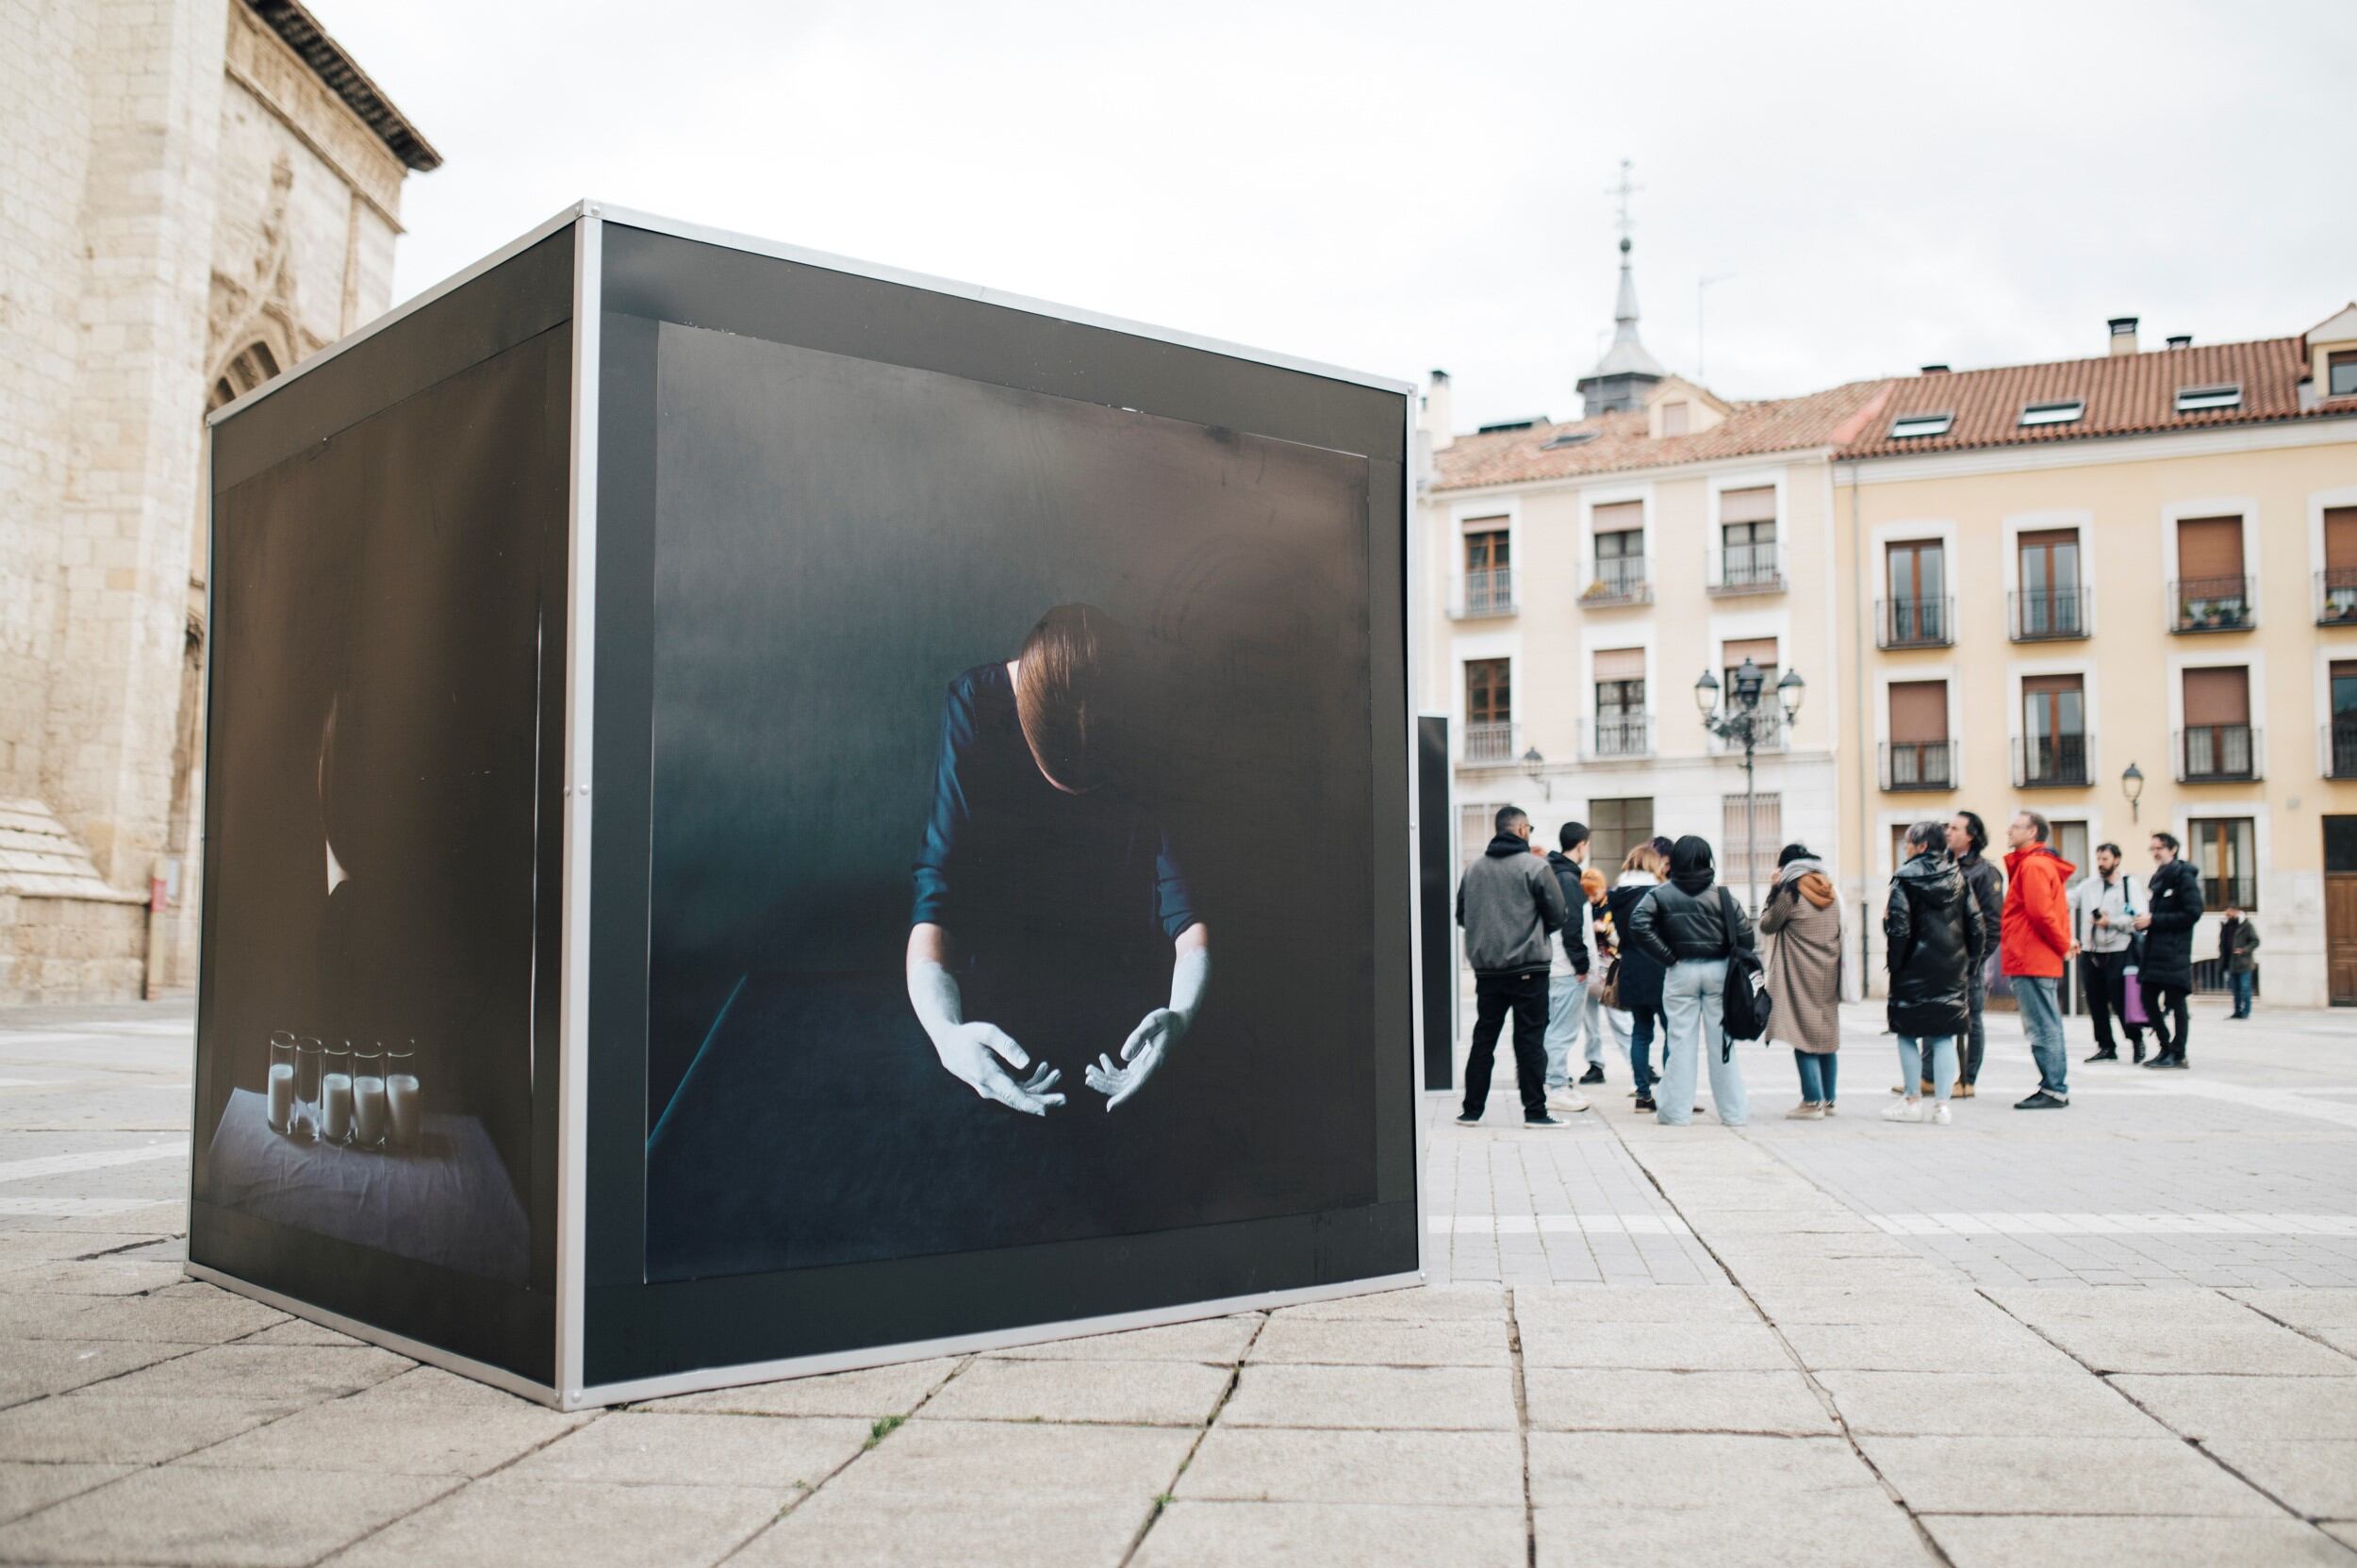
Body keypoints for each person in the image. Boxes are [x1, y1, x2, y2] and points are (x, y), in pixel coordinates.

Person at [907, 604, 1207, 1117]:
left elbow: (1186, 907)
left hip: (1124, 982)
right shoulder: (974, 707)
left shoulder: (1152, 724)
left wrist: (1181, 1014)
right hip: (999, 987)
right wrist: (944, 1033)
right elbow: (937, 895)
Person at [1456, 805, 1575, 1127]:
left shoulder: (1474, 870)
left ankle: (1471, 1110)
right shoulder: (1534, 867)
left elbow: (1462, 916)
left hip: (1488, 969)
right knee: (1530, 1040)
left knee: (1484, 1038)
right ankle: (1535, 1112)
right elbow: (1558, 914)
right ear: (1522, 830)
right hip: (1529, 967)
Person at [1627, 835, 1753, 1128]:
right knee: (1722, 1044)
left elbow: (1638, 925)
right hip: (1719, 972)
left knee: (1680, 1042)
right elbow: (1747, 936)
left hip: (1680, 972)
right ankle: (1734, 1113)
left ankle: (1674, 1113)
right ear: (1707, 860)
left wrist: (1668, 957)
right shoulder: (1722, 896)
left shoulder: (1660, 894)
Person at [1883, 821, 1983, 1125]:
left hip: (1912, 969)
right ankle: (1942, 1107)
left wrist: (1895, 965)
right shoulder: (1958, 878)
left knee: (1907, 1033)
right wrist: (1970, 965)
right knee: (1943, 1037)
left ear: (1922, 846)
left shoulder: (1904, 880)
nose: (1905, 848)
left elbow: (1898, 928)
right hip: (1951, 970)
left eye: (1908, 843)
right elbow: (1976, 925)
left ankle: (1912, 1099)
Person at [1760, 843, 1843, 1119]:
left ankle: (1811, 1102)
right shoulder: (1829, 888)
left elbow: (1767, 924)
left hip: (1799, 972)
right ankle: (1829, 1100)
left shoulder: (1790, 891)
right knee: (1825, 1038)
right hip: (1828, 971)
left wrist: (1773, 889)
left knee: (1802, 1035)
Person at [2002, 810, 2077, 1110]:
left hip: (2030, 956)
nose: (2009, 830)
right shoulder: (2035, 864)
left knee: (2043, 1025)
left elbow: (2040, 913)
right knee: (2047, 1022)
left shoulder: (2033, 865)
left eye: (2016, 826)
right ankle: (2053, 1085)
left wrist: (2063, 945)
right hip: (2033, 956)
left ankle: (2054, 1088)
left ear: (2033, 832)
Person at [1605, 842, 1669, 1112]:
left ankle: (1643, 1094)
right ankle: (1671, 1092)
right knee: (1673, 1032)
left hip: (1631, 967)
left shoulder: (1617, 895)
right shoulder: (1660, 893)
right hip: (1661, 967)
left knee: (1641, 1034)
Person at [2069, 843, 2147, 1062]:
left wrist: (2110, 922)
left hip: (2118, 950)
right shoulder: (2088, 886)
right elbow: (2068, 900)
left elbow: (2138, 917)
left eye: (2105, 859)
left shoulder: (2128, 885)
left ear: (2117, 859)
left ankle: (2136, 1040)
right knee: (2095, 1000)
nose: (2101, 864)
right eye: (2099, 859)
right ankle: (2105, 1045)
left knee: (2121, 1000)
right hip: (2091, 951)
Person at [1945, 812, 2004, 1098]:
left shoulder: (1984, 872)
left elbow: (1993, 924)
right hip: (1942, 957)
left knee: (1972, 1019)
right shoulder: (1942, 865)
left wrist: (1975, 960)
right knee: (1939, 1015)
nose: (1948, 832)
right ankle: (1930, 1076)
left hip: (1968, 959)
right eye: (1947, 827)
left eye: (1955, 828)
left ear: (1970, 835)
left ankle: (1968, 1079)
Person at [2135, 833, 2203, 1067]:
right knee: (2147, 997)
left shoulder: (2184, 877)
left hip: (2175, 950)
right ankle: (2165, 1046)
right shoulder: (2159, 878)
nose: (2155, 852)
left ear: (2173, 849)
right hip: (2155, 950)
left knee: (2176, 1001)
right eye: (2152, 848)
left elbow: (2193, 912)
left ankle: (2178, 1052)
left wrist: (2154, 920)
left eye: (2160, 848)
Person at [1541, 822, 1595, 1113]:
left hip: (1550, 963)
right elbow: (1571, 925)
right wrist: (1582, 964)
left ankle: (1553, 1082)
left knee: (1551, 1028)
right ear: (1582, 844)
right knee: (1561, 1032)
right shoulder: (1568, 878)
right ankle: (1557, 1086)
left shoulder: (1549, 872)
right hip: (1565, 966)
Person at [2219, 906, 2261, 1019]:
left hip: (2244, 962)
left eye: (2228, 914)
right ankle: (2237, 1011)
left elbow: (2255, 941)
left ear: (2235, 912)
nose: (2227, 916)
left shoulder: (2246, 925)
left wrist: (2244, 950)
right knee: (2235, 989)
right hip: (2230, 962)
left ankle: (2246, 1011)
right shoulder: (2226, 925)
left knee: (2245, 988)